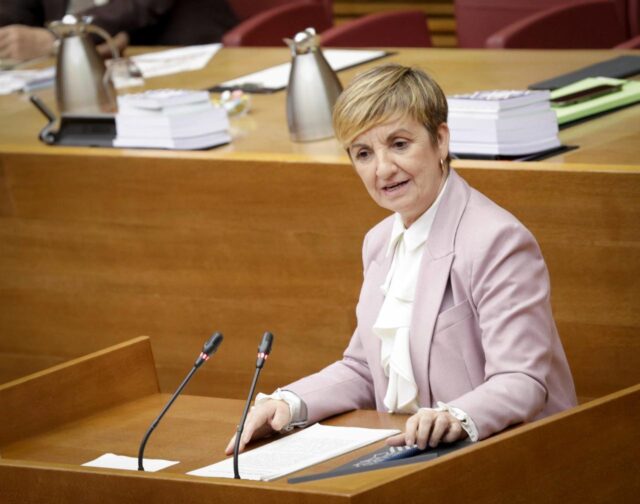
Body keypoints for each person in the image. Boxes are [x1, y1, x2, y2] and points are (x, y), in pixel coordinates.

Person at [226, 64, 577, 455]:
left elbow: (522, 380)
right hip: (413, 455)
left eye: (399, 144)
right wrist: (288, 403)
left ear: (440, 141)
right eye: (363, 153)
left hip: (510, 455)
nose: (383, 169)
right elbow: (365, 369)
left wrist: (456, 417)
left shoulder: (497, 240)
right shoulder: (379, 242)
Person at [0, 0, 237, 61]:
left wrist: (61, 35)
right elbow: (15, 11)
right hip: (67, 77)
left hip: (180, 58)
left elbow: (138, 5)